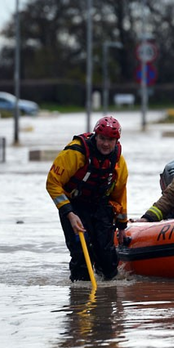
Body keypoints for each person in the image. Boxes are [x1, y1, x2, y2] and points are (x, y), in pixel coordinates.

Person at [46, 115, 128, 282]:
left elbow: (120, 194)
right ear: (95, 136)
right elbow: (52, 183)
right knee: (81, 256)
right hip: (74, 206)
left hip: (100, 206)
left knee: (108, 259)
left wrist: (121, 226)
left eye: (111, 140)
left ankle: (107, 300)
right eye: (102, 138)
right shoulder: (75, 153)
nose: (106, 144)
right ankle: (79, 297)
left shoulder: (118, 162)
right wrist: (70, 214)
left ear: (117, 141)